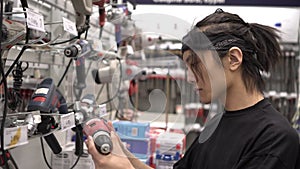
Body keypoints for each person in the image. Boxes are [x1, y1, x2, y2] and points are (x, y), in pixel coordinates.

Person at [85, 9, 300, 169]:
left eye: (195, 64)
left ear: (233, 59)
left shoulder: (275, 139)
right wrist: (124, 156)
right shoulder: (216, 124)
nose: (188, 77)